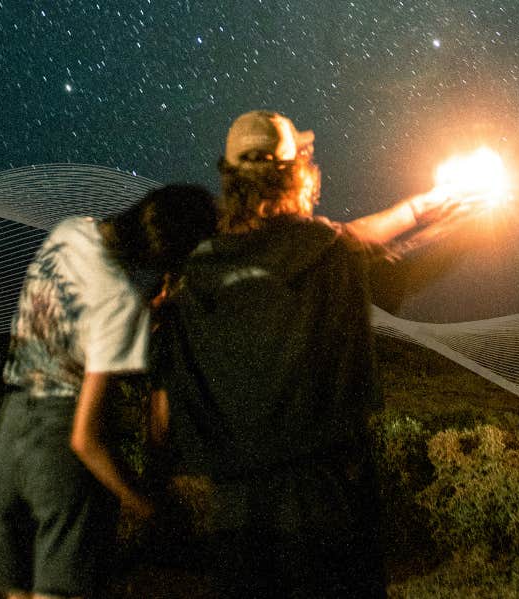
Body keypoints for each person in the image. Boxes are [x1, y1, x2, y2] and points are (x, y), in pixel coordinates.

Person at [150, 110, 475, 598]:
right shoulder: (325, 253)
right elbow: (391, 264)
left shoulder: (197, 273)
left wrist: (418, 207)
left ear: (231, 178)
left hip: (236, 518)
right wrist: (464, 223)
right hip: (327, 510)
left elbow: (344, 238)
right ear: (296, 172)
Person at [0, 184, 219, 599]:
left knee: (10, 588)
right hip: (58, 448)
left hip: (12, 426)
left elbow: (75, 319)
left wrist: (140, 316)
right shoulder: (120, 303)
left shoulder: (69, 232)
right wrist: (147, 505)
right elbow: (85, 438)